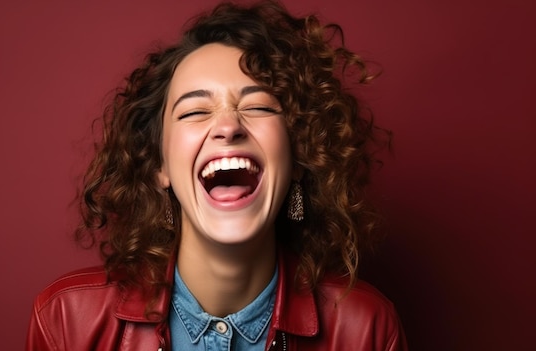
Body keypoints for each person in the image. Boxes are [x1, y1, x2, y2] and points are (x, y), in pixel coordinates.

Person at [26, 1, 408, 350]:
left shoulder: (366, 329)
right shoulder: (64, 320)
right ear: (160, 166)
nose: (228, 126)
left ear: (298, 157)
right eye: (194, 112)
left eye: (258, 105)